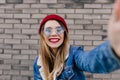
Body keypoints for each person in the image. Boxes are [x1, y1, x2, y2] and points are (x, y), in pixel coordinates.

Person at [33, 0, 120, 80]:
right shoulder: (38, 63)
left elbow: (90, 61)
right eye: (48, 30)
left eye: (59, 30)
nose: (54, 33)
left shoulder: (74, 55)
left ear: (64, 34)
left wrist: (113, 49)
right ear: (43, 35)